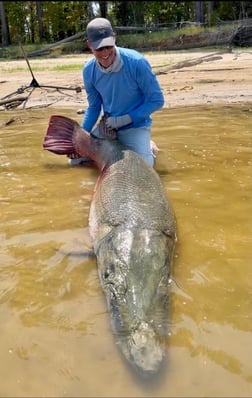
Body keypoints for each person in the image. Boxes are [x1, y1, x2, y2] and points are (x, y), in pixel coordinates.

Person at [68, 17, 164, 167]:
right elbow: (94, 108)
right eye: (99, 48)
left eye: (108, 46)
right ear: (89, 46)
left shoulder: (137, 62)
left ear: (114, 38)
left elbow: (157, 100)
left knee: (144, 167)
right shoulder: (88, 70)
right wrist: (82, 137)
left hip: (136, 126)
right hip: (108, 127)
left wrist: (126, 119)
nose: (105, 53)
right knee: (74, 161)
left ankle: (149, 147)